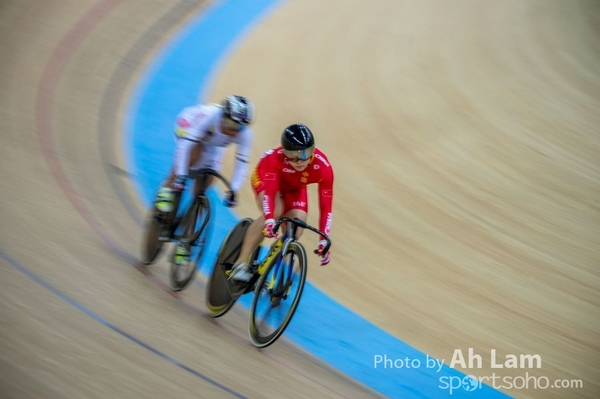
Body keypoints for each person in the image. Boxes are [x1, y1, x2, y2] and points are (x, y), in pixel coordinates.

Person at [155, 95, 255, 266]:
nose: (234, 131)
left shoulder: (244, 133)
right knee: (194, 154)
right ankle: (167, 189)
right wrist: (179, 176)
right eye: (231, 124)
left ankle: (185, 242)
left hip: (213, 145)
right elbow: (184, 147)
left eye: (239, 127)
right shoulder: (210, 116)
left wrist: (234, 190)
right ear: (223, 116)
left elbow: (241, 165)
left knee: (204, 187)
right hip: (189, 126)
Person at [229, 123, 334, 282]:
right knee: (276, 211)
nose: (299, 160)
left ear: (312, 150)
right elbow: (270, 194)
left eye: (305, 153)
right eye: (293, 155)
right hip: (267, 179)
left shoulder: (323, 168)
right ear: (285, 153)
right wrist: (270, 219)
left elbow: (326, 209)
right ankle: (240, 263)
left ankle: (272, 259)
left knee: (297, 227)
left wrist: (323, 240)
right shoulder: (274, 159)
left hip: (295, 188)